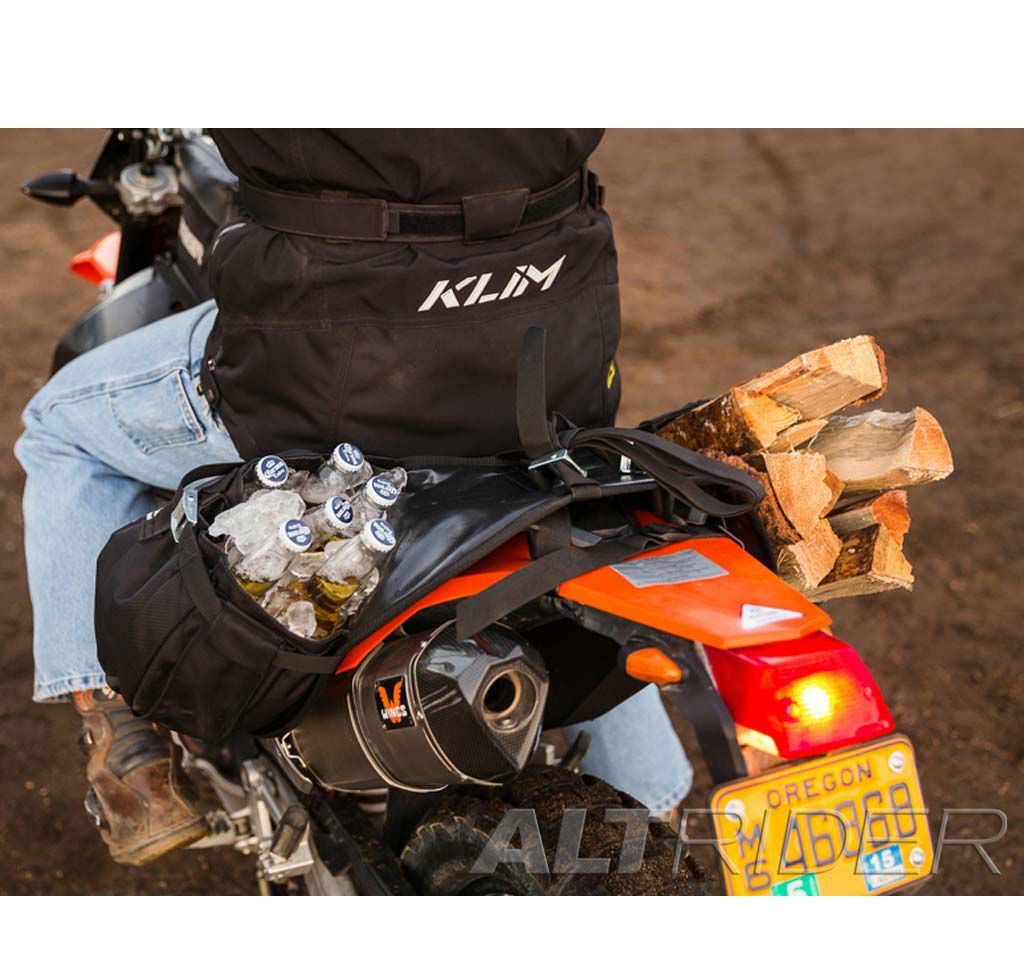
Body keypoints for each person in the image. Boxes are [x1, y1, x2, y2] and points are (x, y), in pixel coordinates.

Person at [15, 129, 692, 866]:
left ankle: (127, 751)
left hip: (333, 381)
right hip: (545, 370)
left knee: (60, 428)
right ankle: (653, 805)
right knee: (558, 527)